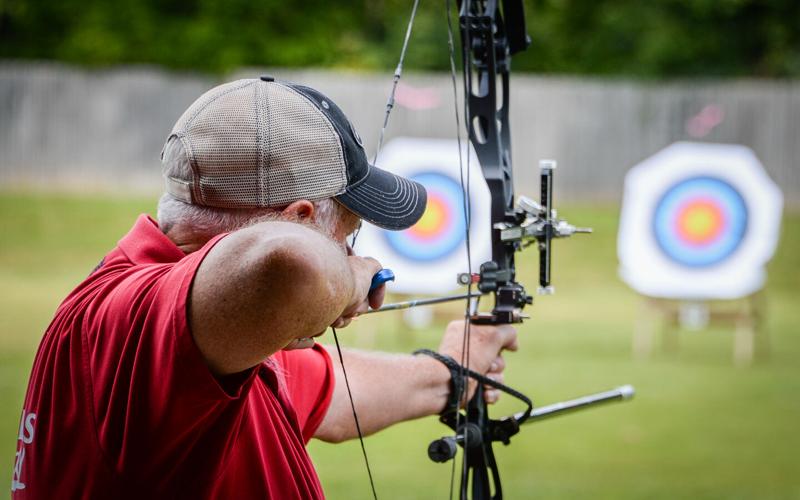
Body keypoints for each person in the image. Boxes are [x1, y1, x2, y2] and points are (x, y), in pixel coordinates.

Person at [12, 76, 518, 499]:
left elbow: (332, 393)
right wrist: (348, 281)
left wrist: (453, 371)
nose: (350, 253)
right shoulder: (135, 321)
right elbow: (292, 262)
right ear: (298, 218)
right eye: (347, 235)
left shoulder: (223, 333)